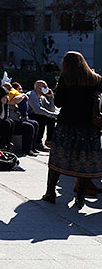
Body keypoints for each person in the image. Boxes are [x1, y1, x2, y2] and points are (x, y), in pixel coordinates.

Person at [42, 51, 102, 209]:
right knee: (85, 162)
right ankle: (80, 198)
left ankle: (50, 192)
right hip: (89, 128)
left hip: (67, 125)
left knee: (57, 159)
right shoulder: (96, 79)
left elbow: (59, 103)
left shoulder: (66, 79)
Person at [3, 82, 39, 157]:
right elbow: (14, 101)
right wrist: (23, 95)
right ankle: (26, 150)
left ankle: (32, 147)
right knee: (29, 127)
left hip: (16, 119)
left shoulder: (12, 95)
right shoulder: (5, 98)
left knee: (35, 123)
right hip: (11, 122)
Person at [26, 80, 57, 151]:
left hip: (37, 115)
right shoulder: (31, 95)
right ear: (37, 87)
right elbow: (38, 110)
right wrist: (54, 115)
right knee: (42, 117)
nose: (47, 88)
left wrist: (51, 97)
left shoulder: (42, 98)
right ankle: (38, 142)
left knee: (50, 119)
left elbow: (51, 109)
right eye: (44, 87)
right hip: (29, 115)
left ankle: (49, 140)